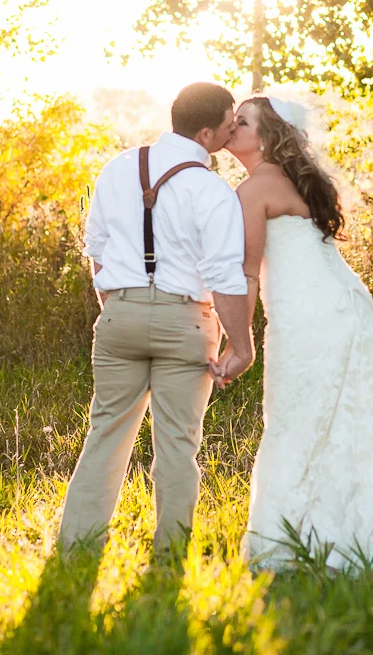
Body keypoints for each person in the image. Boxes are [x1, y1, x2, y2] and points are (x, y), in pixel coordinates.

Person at [219, 95, 373, 569]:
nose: (232, 128)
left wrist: (238, 343)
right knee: (356, 417)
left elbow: (246, 273)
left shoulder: (253, 190)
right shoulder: (295, 182)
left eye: (243, 122)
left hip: (308, 317)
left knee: (299, 418)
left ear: (269, 136)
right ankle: (371, 528)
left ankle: (299, 541)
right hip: (345, 307)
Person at [58, 82, 255, 554]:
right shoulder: (212, 189)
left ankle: (77, 549)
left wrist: (119, 308)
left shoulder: (118, 168)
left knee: (104, 434)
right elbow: (225, 275)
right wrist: (241, 345)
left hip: (119, 314)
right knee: (177, 447)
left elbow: (97, 251)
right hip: (185, 320)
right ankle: (170, 554)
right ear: (207, 133)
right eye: (230, 122)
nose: (233, 130)